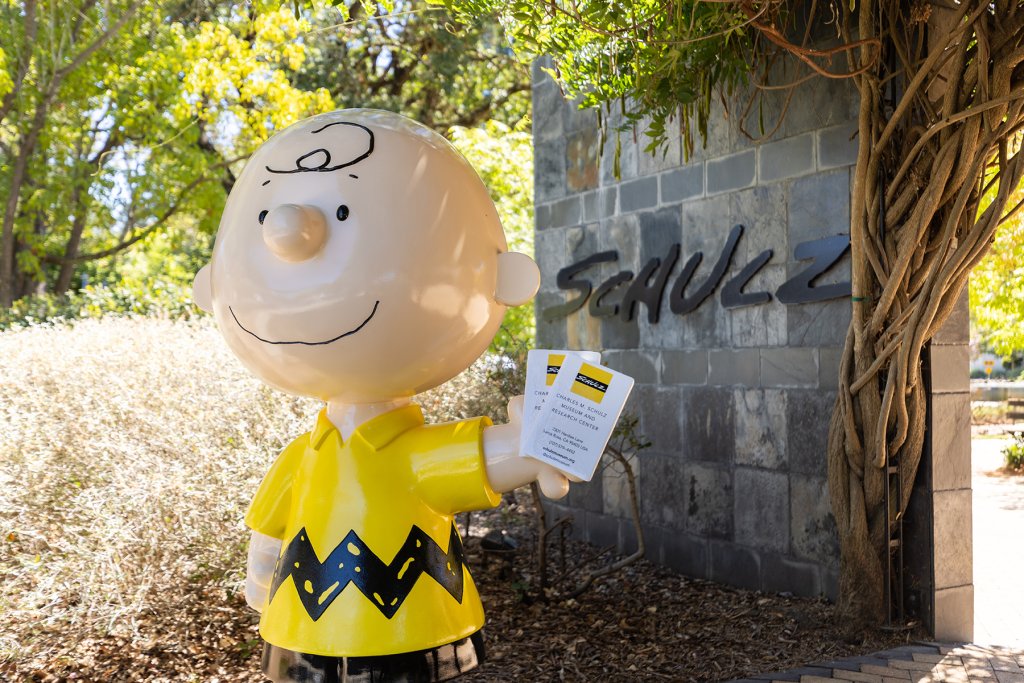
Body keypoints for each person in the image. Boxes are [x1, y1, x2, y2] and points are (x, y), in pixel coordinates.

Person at [192, 109, 570, 682]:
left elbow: (479, 461)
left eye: (342, 214)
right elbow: (268, 534)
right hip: (306, 633)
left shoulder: (408, 454)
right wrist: (261, 574)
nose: (288, 231)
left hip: (411, 633)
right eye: (266, 215)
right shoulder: (304, 457)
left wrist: (534, 444)